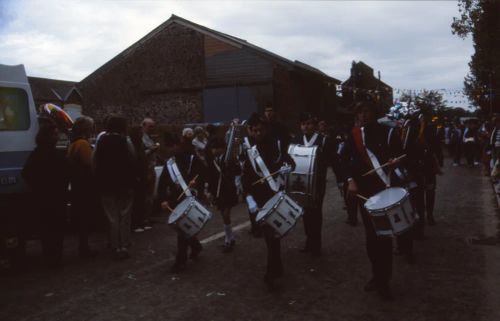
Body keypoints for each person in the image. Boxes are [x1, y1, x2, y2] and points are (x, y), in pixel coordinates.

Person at [342, 100, 404, 300]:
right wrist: (350, 180)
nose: (363, 116)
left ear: (374, 113)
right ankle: (377, 275)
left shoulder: (389, 133)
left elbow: (404, 155)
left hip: (384, 188)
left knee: (383, 236)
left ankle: (384, 280)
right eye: (360, 112)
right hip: (364, 192)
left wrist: (396, 161)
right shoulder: (354, 135)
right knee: (371, 236)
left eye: (366, 111)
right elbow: (346, 159)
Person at [241, 112, 293, 291]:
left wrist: (287, 167)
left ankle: (272, 272)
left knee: (272, 235)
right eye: (254, 131)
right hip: (260, 199)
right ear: (251, 131)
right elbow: (246, 179)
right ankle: (277, 268)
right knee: (271, 237)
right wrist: (249, 199)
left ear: (266, 129)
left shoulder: (276, 146)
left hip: (275, 194)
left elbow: (289, 161)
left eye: (261, 130)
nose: (258, 133)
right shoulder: (250, 152)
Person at [22, 120, 69, 268]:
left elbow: (26, 173)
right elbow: (66, 173)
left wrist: (37, 186)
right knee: (56, 228)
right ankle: (55, 257)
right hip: (55, 196)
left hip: (42, 196)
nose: (57, 136)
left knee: (46, 229)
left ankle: (50, 256)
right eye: (55, 134)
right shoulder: (55, 154)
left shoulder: (36, 154)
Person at [291, 113, 337, 257]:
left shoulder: (323, 140)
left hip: (317, 183)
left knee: (315, 213)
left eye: (309, 123)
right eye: (303, 123)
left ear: (315, 125)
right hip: (301, 182)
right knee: (305, 212)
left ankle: (316, 245)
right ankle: (309, 242)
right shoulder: (296, 139)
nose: (306, 126)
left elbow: (332, 160)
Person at [158, 131, 204, 273]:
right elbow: (162, 183)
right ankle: (196, 246)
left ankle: (181, 260)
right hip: (175, 199)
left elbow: (202, 173)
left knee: (182, 229)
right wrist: (163, 199)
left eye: (174, 146)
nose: (172, 149)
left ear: (179, 144)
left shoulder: (191, 158)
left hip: (190, 196)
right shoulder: (170, 163)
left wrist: (195, 181)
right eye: (170, 147)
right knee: (182, 228)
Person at [93, 115, 137, 260]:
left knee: (111, 216)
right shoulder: (126, 141)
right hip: (125, 183)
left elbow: (94, 162)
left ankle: (114, 245)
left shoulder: (101, 142)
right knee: (125, 214)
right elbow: (133, 158)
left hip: (106, 183)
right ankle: (124, 245)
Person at [67, 116, 97, 257]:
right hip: (84, 186)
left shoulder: (72, 144)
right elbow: (90, 165)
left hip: (76, 184)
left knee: (81, 216)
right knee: (85, 217)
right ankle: (84, 248)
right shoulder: (82, 144)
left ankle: (83, 246)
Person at [206, 137, 240, 252]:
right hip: (219, 191)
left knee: (226, 214)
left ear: (222, 148)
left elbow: (238, 170)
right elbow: (212, 176)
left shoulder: (229, 158)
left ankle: (228, 239)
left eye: (215, 148)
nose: (213, 150)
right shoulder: (214, 159)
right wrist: (210, 191)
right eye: (212, 148)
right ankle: (230, 238)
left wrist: (228, 169)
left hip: (229, 190)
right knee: (223, 215)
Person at [130, 125, 150, 233]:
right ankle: (136, 223)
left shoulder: (140, 144)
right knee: (137, 200)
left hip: (142, 174)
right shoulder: (133, 144)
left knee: (142, 199)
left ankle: (141, 222)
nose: (142, 133)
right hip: (137, 175)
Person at [141, 118, 159, 230]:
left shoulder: (149, 137)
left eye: (153, 126)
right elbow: (141, 154)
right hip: (146, 169)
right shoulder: (142, 138)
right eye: (150, 126)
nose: (152, 129)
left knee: (149, 196)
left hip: (151, 168)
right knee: (146, 196)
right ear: (143, 125)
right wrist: (152, 149)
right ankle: (144, 219)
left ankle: (147, 217)